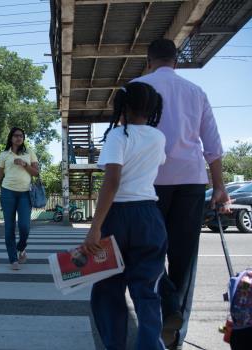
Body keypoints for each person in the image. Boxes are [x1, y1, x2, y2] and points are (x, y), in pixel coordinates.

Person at [132, 38, 231, 349]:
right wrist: (219, 187)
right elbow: (212, 146)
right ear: (176, 61)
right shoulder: (195, 91)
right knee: (184, 258)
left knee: (145, 252)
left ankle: (168, 305)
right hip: (191, 181)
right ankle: (176, 337)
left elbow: (126, 137)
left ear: (148, 61)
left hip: (148, 183)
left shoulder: (135, 87)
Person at [83, 82, 167, 350]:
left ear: (124, 107)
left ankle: (114, 345)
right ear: (152, 108)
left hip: (117, 216)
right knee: (147, 291)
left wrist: (94, 228)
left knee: (108, 289)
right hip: (149, 216)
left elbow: (112, 182)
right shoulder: (158, 137)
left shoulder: (118, 136)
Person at [0, 127, 39, 270]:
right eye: (15, 135)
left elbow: (36, 173)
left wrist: (24, 164)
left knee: (24, 226)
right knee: (9, 228)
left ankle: (22, 248)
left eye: (21, 136)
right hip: (7, 193)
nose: (18, 138)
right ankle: (13, 259)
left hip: (25, 194)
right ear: (11, 138)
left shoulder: (29, 153)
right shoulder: (4, 155)